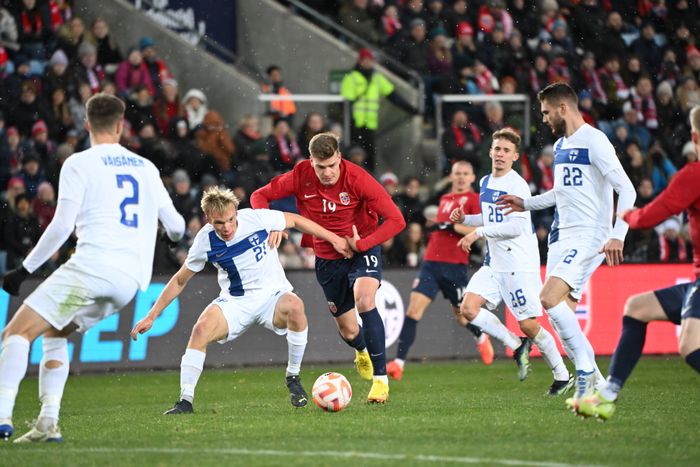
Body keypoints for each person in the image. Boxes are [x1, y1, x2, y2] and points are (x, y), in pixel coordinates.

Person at [0, 93, 186, 442]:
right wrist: (167, 234)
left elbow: (61, 225)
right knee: (55, 334)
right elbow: (176, 226)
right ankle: (48, 422)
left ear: (86, 124)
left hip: (91, 268)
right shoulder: (146, 168)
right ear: (120, 126)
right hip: (128, 282)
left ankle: (2, 415)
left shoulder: (79, 163)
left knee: (15, 333)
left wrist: (24, 270)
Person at [132, 186, 350, 413]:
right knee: (201, 329)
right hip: (236, 302)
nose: (227, 227)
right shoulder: (204, 241)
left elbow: (295, 220)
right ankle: (185, 401)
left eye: (230, 220)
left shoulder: (255, 218)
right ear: (208, 219)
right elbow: (179, 280)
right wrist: (151, 315)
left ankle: (292, 376)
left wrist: (334, 239)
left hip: (272, 296)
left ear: (236, 211)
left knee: (295, 306)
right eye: (219, 223)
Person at [497, 83, 636, 410]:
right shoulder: (561, 146)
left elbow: (627, 189)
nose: (544, 119)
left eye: (546, 112)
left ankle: (585, 373)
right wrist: (526, 203)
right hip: (562, 236)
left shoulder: (595, 141)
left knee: (548, 298)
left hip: (590, 235)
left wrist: (619, 233)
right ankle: (602, 390)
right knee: (562, 323)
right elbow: (560, 193)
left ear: (563, 108)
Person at [250, 132, 406, 403]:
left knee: (365, 299)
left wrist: (362, 244)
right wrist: (270, 224)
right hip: (326, 257)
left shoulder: (357, 178)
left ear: (339, 158)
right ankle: (361, 349)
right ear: (311, 161)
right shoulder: (300, 176)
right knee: (349, 331)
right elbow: (259, 196)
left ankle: (381, 382)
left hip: (362, 247)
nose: (328, 172)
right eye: (321, 167)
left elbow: (396, 220)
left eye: (332, 165)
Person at [577, 106, 700, 420]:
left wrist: (627, 215)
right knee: (637, 308)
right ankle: (608, 393)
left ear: (695, 137)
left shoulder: (694, 174)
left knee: (690, 346)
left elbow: (651, 216)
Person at [450, 129, 573, 394]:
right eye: (497, 149)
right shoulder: (485, 181)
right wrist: (466, 219)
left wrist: (478, 233)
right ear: (490, 151)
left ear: (515, 157)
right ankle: (516, 345)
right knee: (468, 308)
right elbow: (491, 217)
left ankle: (562, 375)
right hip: (494, 262)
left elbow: (516, 227)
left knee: (528, 324)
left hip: (518, 265)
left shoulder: (517, 185)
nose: (500, 154)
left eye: (506, 151)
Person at [386, 161, 493, 381]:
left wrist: (452, 226)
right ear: (451, 177)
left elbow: (479, 229)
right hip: (431, 263)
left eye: (465, 173)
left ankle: (481, 337)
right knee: (413, 310)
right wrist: (434, 226)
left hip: (455, 266)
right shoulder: (445, 199)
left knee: (462, 317)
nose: (461, 177)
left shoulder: (475, 200)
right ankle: (398, 363)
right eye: (457, 173)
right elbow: (440, 227)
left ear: (473, 177)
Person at [340, 47, 416, 172]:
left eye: (370, 60)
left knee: (369, 156)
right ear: (360, 61)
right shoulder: (351, 77)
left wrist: (409, 108)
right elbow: (346, 103)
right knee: (354, 156)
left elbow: (392, 95)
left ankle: (368, 179)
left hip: (370, 125)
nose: (368, 63)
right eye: (366, 60)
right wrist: (350, 121)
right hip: (355, 124)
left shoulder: (377, 78)